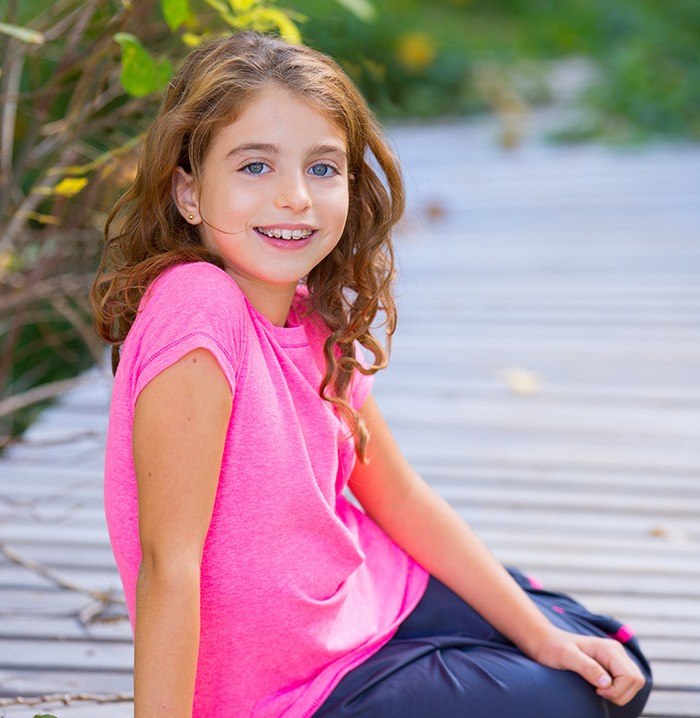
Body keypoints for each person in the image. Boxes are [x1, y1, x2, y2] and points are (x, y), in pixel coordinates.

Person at [90, 29, 652, 718]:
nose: (295, 196)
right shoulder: (197, 307)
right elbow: (167, 566)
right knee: (570, 701)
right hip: (289, 690)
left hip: (367, 592)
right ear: (189, 192)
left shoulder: (314, 315)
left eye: (322, 168)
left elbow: (400, 498)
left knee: (606, 661)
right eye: (255, 167)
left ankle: (499, 636)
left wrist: (538, 634)